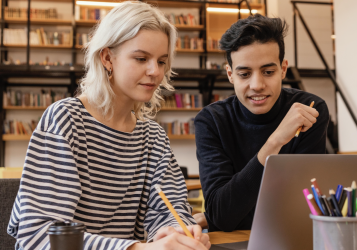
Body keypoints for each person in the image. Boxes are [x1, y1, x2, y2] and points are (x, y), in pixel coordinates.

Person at [7, 2, 210, 250]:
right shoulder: (65, 120)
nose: (155, 71)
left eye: (162, 61)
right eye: (141, 58)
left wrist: (179, 232)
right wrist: (137, 248)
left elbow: (171, 210)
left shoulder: (153, 136)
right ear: (107, 58)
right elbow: (38, 236)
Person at [193, 14, 329, 232]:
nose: (257, 85)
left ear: (283, 69)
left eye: (268, 72)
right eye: (245, 74)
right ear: (230, 75)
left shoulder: (309, 109)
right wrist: (275, 141)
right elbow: (222, 214)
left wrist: (226, 214)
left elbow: (301, 208)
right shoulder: (211, 121)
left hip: (290, 239)